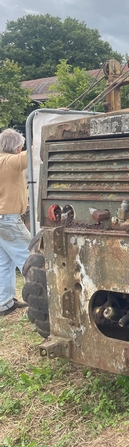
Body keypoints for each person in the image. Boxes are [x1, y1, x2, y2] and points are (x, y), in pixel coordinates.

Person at [0, 128, 30, 317]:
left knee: (4, 263)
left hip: (1, 218)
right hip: (9, 218)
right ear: (17, 148)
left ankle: (5, 303)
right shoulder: (10, 162)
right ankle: (43, 302)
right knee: (31, 259)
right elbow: (38, 151)